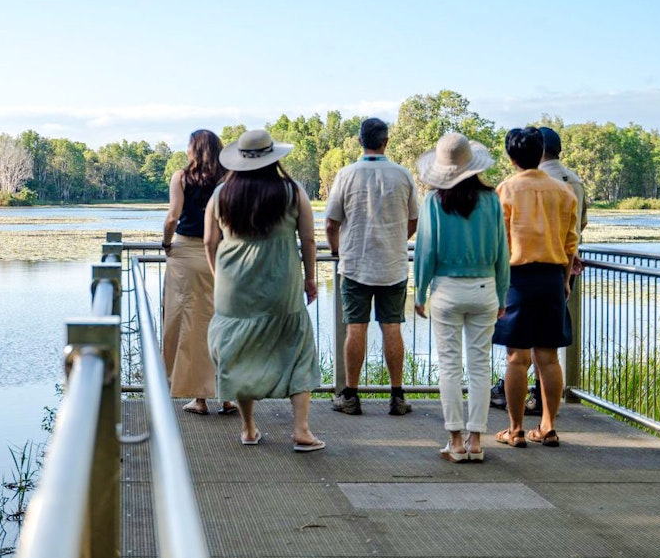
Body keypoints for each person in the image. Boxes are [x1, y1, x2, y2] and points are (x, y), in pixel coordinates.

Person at [204, 128, 323, 452]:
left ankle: (248, 428)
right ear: (274, 158)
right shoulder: (292, 191)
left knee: (237, 352)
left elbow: (209, 242)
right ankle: (301, 431)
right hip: (281, 285)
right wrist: (310, 279)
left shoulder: (221, 194)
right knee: (297, 351)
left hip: (234, 288)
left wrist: (220, 276)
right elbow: (309, 240)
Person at [412, 133, 510, 463]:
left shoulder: (433, 203)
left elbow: (425, 251)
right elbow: (501, 252)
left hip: (446, 290)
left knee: (450, 366)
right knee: (480, 367)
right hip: (484, 289)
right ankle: (477, 441)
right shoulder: (492, 200)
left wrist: (420, 291)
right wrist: (502, 294)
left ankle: (454, 440)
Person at [324, 117, 420, 416]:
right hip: (392, 266)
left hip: (354, 264)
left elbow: (330, 221)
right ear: (386, 141)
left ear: (359, 140)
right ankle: (397, 395)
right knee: (392, 327)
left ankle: (350, 395)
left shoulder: (347, 174)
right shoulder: (402, 175)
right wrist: (395, 240)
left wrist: (337, 248)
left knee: (356, 328)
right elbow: (413, 219)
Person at [490, 125, 588, 415]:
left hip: (516, 281)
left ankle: (516, 428)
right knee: (549, 358)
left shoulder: (506, 189)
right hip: (552, 278)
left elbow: (499, 241)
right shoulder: (565, 190)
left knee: (517, 359)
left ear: (512, 158)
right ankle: (548, 426)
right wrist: (565, 280)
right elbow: (572, 241)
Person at [162, 129, 234, 416]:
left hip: (186, 256)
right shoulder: (228, 177)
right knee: (223, 323)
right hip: (220, 255)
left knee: (189, 328)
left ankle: (200, 399)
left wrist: (166, 242)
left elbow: (172, 216)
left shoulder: (181, 177)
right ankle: (228, 396)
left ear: (193, 149)